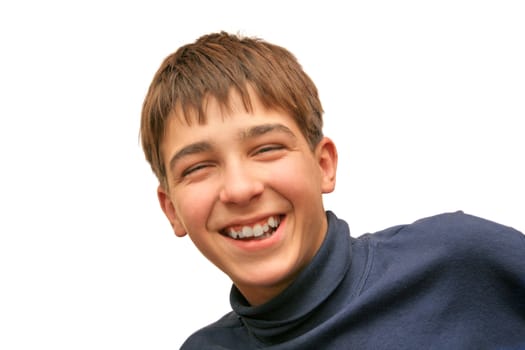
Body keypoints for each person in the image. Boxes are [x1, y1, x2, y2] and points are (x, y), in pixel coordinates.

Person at [140, 31, 525, 349]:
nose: (240, 189)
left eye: (267, 148)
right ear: (171, 209)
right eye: (198, 168)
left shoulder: (461, 263)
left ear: (324, 165)